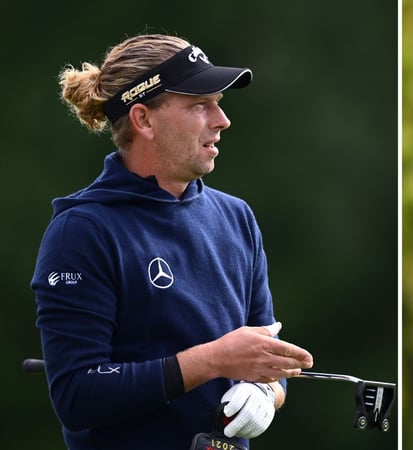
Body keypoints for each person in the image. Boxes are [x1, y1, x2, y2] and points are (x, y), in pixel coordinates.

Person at [31, 33, 314, 450]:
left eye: (218, 103)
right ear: (144, 120)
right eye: (200, 105)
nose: (222, 120)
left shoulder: (237, 218)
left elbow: (264, 362)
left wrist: (265, 395)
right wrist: (214, 360)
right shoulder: (83, 231)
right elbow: (77, 394)